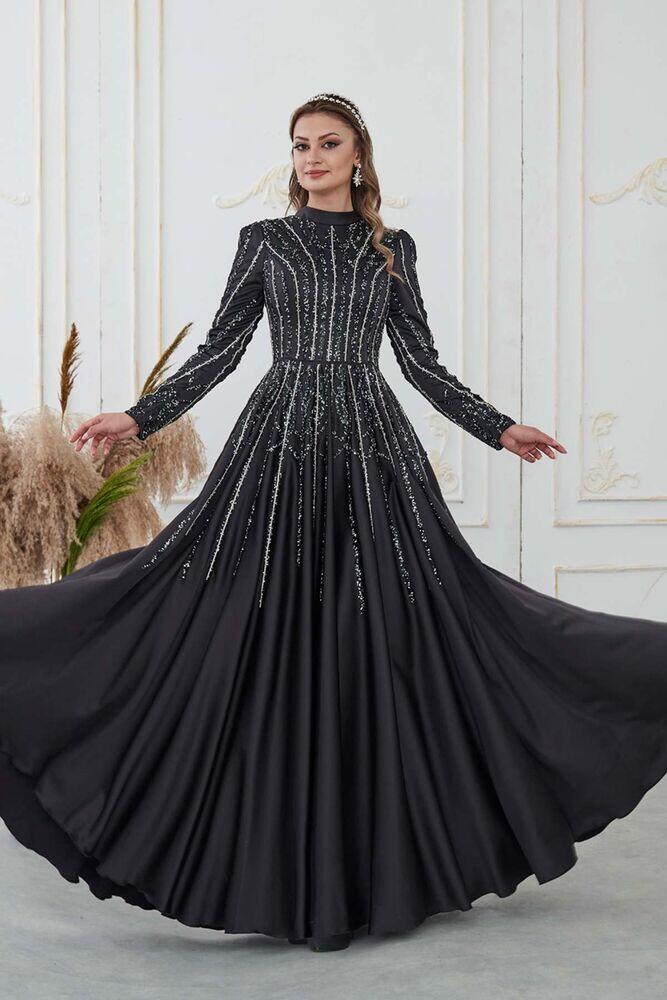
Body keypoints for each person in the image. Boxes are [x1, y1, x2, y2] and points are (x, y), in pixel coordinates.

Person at [1, 93, 666, 955]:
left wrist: (498, 428)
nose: (310, 157)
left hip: (371, 448)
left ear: (358, 155)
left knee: (401, 623)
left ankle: (384, 854)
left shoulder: (392, 249)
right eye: (299, 145)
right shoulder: (263, 241)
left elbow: (421, 363)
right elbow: (219, 352)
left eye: (327, 143)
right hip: (276, 447)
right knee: (228, 607)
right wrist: (140, 415)